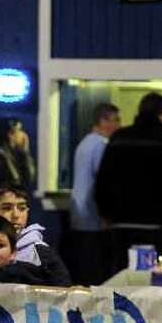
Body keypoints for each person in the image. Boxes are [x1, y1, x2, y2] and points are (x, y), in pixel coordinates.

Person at [95, 93, 162, 273]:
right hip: (159, 227)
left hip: (122, 226)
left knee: (121, 280)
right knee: (155, 282)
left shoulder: (119, 138)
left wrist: (106, 213)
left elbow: (103, 180)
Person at [69, 103, 120, 285]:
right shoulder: (101, 145)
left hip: (80, 216)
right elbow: (103, 179)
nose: (117, 125)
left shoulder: (85, 142)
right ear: (102, 121)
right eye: (114, 120)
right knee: (97, 273)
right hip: (94, 217)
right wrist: (107, 214)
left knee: (83, 271)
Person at [0, 186, 71, 286]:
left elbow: (63, 291)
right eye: (7, 208)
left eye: (22, 208)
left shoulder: (41, 253)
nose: (16, 215)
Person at [0, 118, 37, 196]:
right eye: (20, 130)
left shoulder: (17, 156)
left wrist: (25, 152)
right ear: (10, 134)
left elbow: (28, 180)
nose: (24, 135)